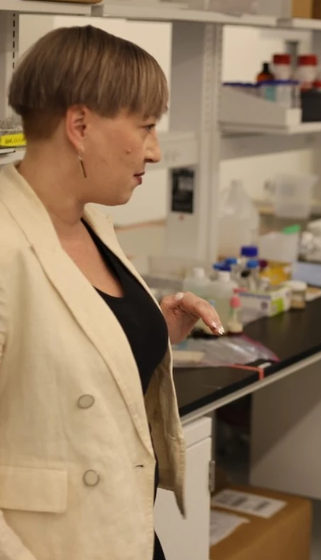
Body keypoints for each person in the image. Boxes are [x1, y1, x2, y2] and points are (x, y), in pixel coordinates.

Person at [0, 26, 222, 560]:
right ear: (79, 125)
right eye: (146, 127)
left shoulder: (92, 219)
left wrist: (146, 328)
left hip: (123, 526)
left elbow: (63, 354)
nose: (155, 149)